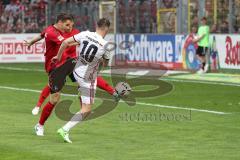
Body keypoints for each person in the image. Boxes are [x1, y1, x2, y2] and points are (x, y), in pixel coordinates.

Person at [24, 17, 118, 117]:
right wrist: (31, 42)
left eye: (71, 25)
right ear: (61, 23)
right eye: (68, 25)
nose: (70, 28)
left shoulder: (75, 32)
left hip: (72, 62)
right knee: (52, 86)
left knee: (90, 77)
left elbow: (43, 36)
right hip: (58, 64)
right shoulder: (53, 32)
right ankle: (38, 106)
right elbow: (64, 42)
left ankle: (109, 94)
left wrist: (31, 42)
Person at [53, 18, 111, 143]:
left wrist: (58, 57)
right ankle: (64, 129)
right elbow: (105, 64)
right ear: (107, 29)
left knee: (85, 101)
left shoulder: (85, 34)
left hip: (76, 72)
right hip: (87, 78)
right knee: (87, 110)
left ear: (97, 25)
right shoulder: (105, 45)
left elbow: (65, 43)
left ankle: (82, 94)